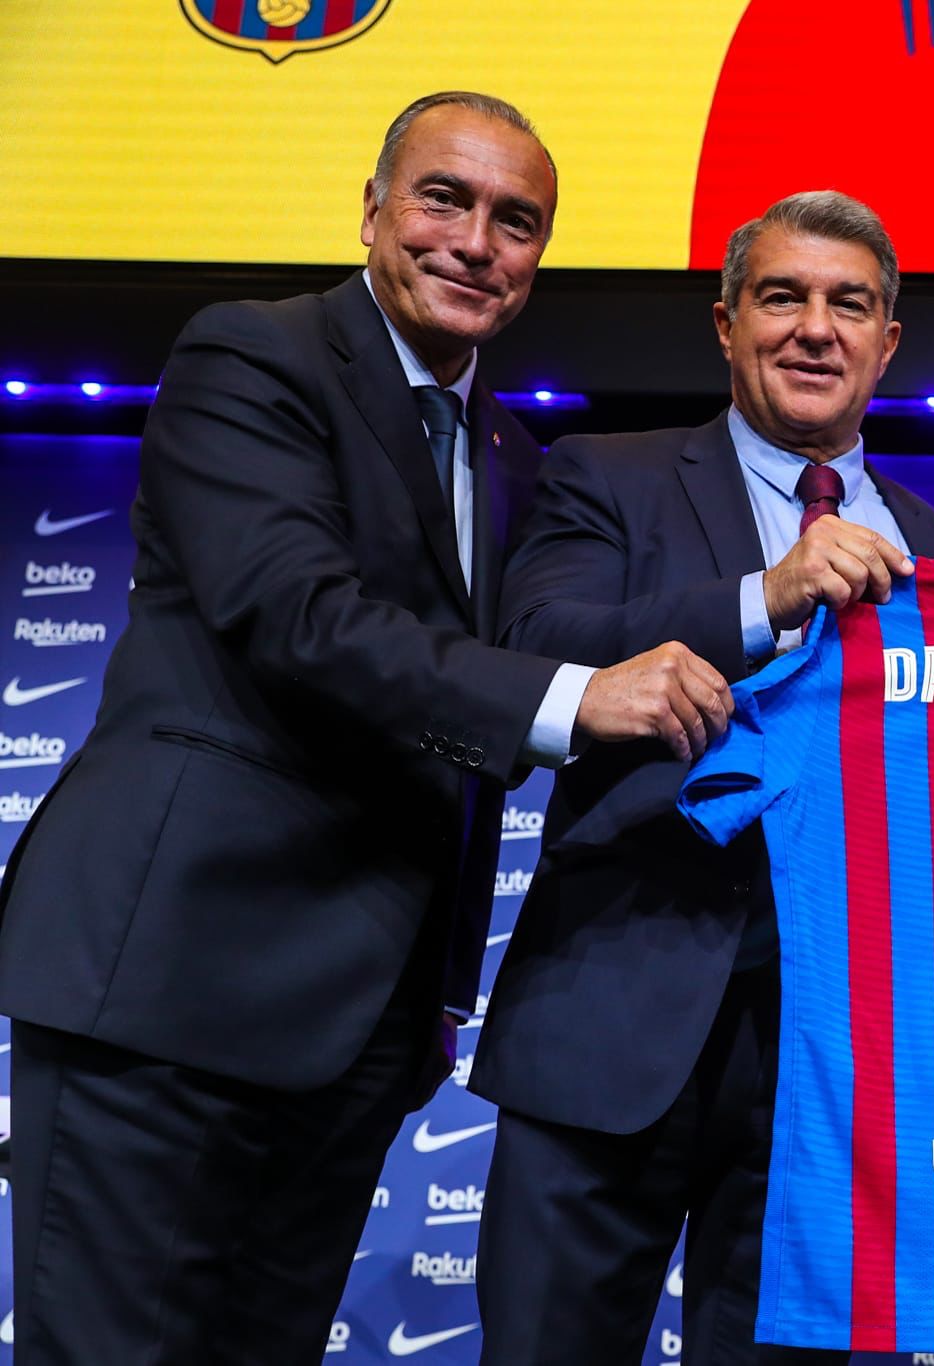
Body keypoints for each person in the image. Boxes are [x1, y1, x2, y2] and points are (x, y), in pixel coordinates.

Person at [0, 92, 724, 1363]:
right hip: (170, 992)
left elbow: (476, 688)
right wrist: (573, 697)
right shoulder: (252, 356)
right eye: (445, 197)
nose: (475, 241)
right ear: (373, 207)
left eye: (517, 221)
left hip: (359, 1033)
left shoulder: (511, 456)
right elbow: (298, 615)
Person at [471, 190, 934, 1364]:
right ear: (724, 320)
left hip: (830, 1073)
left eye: (847, 304)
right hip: (611, 1021)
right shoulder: (606, 471)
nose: (814, 328)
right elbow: (534, 640)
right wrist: (767, 595)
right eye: (781, 296)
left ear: (885, 342)